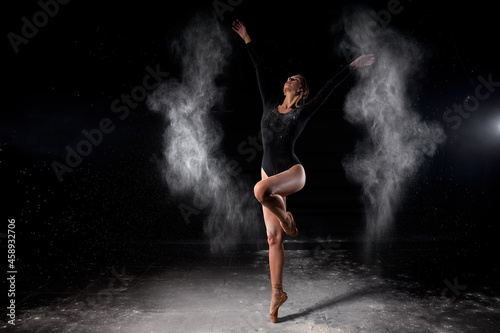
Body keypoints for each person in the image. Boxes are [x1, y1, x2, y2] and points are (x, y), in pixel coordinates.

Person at [232, 19, 375, 323]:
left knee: (259, 192)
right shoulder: (270, 105)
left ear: (302, 90)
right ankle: (277, 293)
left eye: (295, 79)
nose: (288, 79)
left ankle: (286, 217)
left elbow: (329, 88)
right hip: (267, 172)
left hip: (293, 173)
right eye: (288, 77)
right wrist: (247, 38)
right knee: (273, 239)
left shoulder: (303, 111)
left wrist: (352, 65)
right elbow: (259, 70)